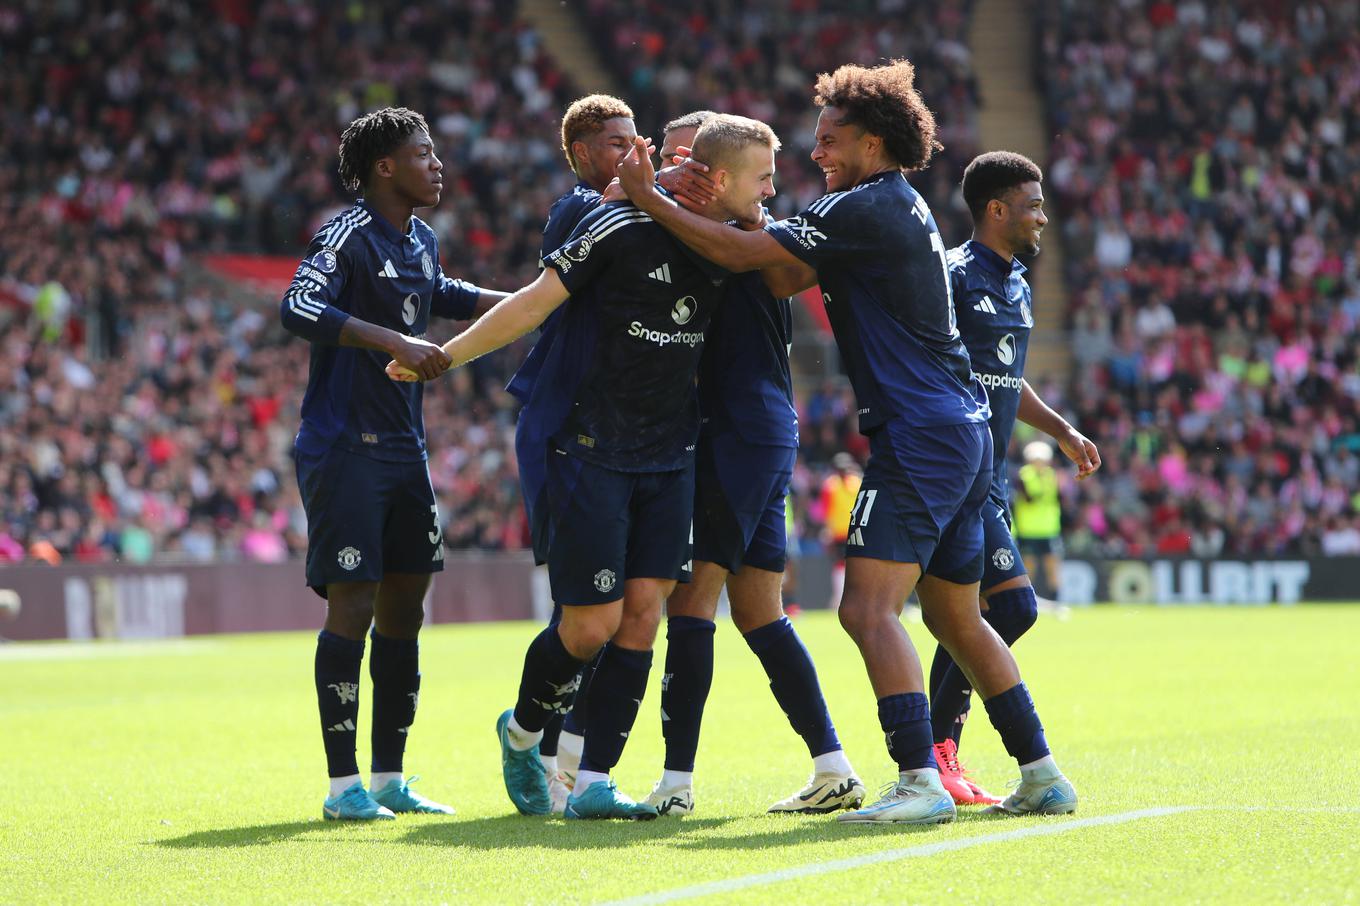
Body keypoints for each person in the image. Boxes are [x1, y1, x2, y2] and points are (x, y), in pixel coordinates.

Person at [618, 59, 1078, 824]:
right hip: (961, 432)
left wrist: (648, 200)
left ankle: (917, 781)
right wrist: (736, 217)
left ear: (872, 140)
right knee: (958, 619)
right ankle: (1041, 773)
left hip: (920, 436)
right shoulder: (894, 204)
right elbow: (779, 276)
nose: (817, 153)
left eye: (830, 139)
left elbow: (748, 262)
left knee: (867, 611)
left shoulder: (864, 206)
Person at [390, 113, 783, 821]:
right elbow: (533, 304)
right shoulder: (613, 226)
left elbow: (788, 261)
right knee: (592, 624)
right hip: (592, 446)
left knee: (643, 618)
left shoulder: (735, 247)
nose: (772, 194)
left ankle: (595, 780)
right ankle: (520, 732)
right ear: (716, 180)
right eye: (762, 181)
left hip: (671, 453)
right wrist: (445, 358)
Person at [279, 107, 505, 821]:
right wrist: (393, 343)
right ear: (385, 167)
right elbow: (297, 304)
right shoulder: (345, 234)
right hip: (344, 448)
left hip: (406, 452)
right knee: (353, 603)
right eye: (423, 153)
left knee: (405, 609)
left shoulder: (422, 240)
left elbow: (441, 298)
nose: (437, 164)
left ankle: (388, 778)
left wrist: (533, 307)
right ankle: (343, 786)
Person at [638, 113, 864, 818]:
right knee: (761, 611)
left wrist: (650, 198)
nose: (678, 170)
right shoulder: (734, 232)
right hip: (761, 433)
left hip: (737, 433)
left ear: (714, 175)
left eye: (686, 159)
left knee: (692, 600)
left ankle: (674, 786)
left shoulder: (739, 239)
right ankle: (833, 767)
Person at [928, 151, 1101, 806]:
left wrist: (1060, 429)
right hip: (950, 470)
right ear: (996, 210)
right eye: (1032, 205)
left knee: (994, 610)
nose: (1043, 216)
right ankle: (932, 749)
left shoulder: (1019, 285)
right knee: (1008, 607)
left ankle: (938, 750)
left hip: (991, 475)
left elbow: (1008, 376)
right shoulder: (948, 276)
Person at [508, 93, 644, 813]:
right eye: (617, 142)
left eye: (635, 139)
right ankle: (529, 740)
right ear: (584, 152)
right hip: (563, 431)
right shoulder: (574, 211)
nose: (632, 151)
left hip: (626, 435)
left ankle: (568, 759)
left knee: (616, 613)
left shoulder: (636, 215)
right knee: (584, 614)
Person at [1013, 440, 1067, 600]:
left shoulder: (1053, 476)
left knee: (1053, 567)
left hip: (1049, 529)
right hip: (1028, 530)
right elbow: (1029, 498)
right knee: (1028, 568)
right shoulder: (1024, 476)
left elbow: (1059, 499)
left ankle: (1056, 601)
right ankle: (1028, 600)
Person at [819, 451, 863, 609]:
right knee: (842, 566)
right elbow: (826, 511)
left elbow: (825, 511)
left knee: (848, 566)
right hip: (843, 532)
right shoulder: (835, 485)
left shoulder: (848, 483)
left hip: (850, 531)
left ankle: (845, 600)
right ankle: (840, 599)